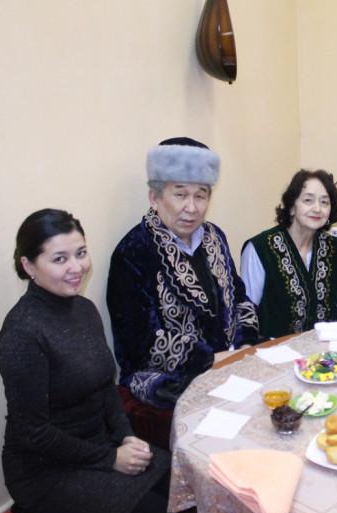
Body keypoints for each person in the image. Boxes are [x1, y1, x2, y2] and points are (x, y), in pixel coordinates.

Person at [0, 209, 175, 513]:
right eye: (59, 259)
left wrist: (125, 437)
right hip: (44, 469)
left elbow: (106, 387)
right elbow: (34, 433)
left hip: (98, 443)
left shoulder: (84, 310)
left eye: (80, 253)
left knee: (177, 483)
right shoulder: (22, 333)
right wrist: (111, 460)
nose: (76, 267)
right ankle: (36, 512)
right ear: (29, 266)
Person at [107, 137, 259, 410]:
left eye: (200, 196)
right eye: (180, 195)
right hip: (167, 376)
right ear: (155, 198)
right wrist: (210, 361)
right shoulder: (133, 251)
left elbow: (239, 297)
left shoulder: (215, 237)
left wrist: (245, 343)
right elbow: (137, 342)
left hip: (228, 360)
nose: (191, 208)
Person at [240, 168, 337, 339]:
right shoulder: (260, 249)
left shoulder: (335, 248)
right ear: (292, 207)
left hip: (327, 349)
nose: (317, 209)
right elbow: (247, 312)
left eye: (324, 202)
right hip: (275, 348)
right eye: (308, 200)